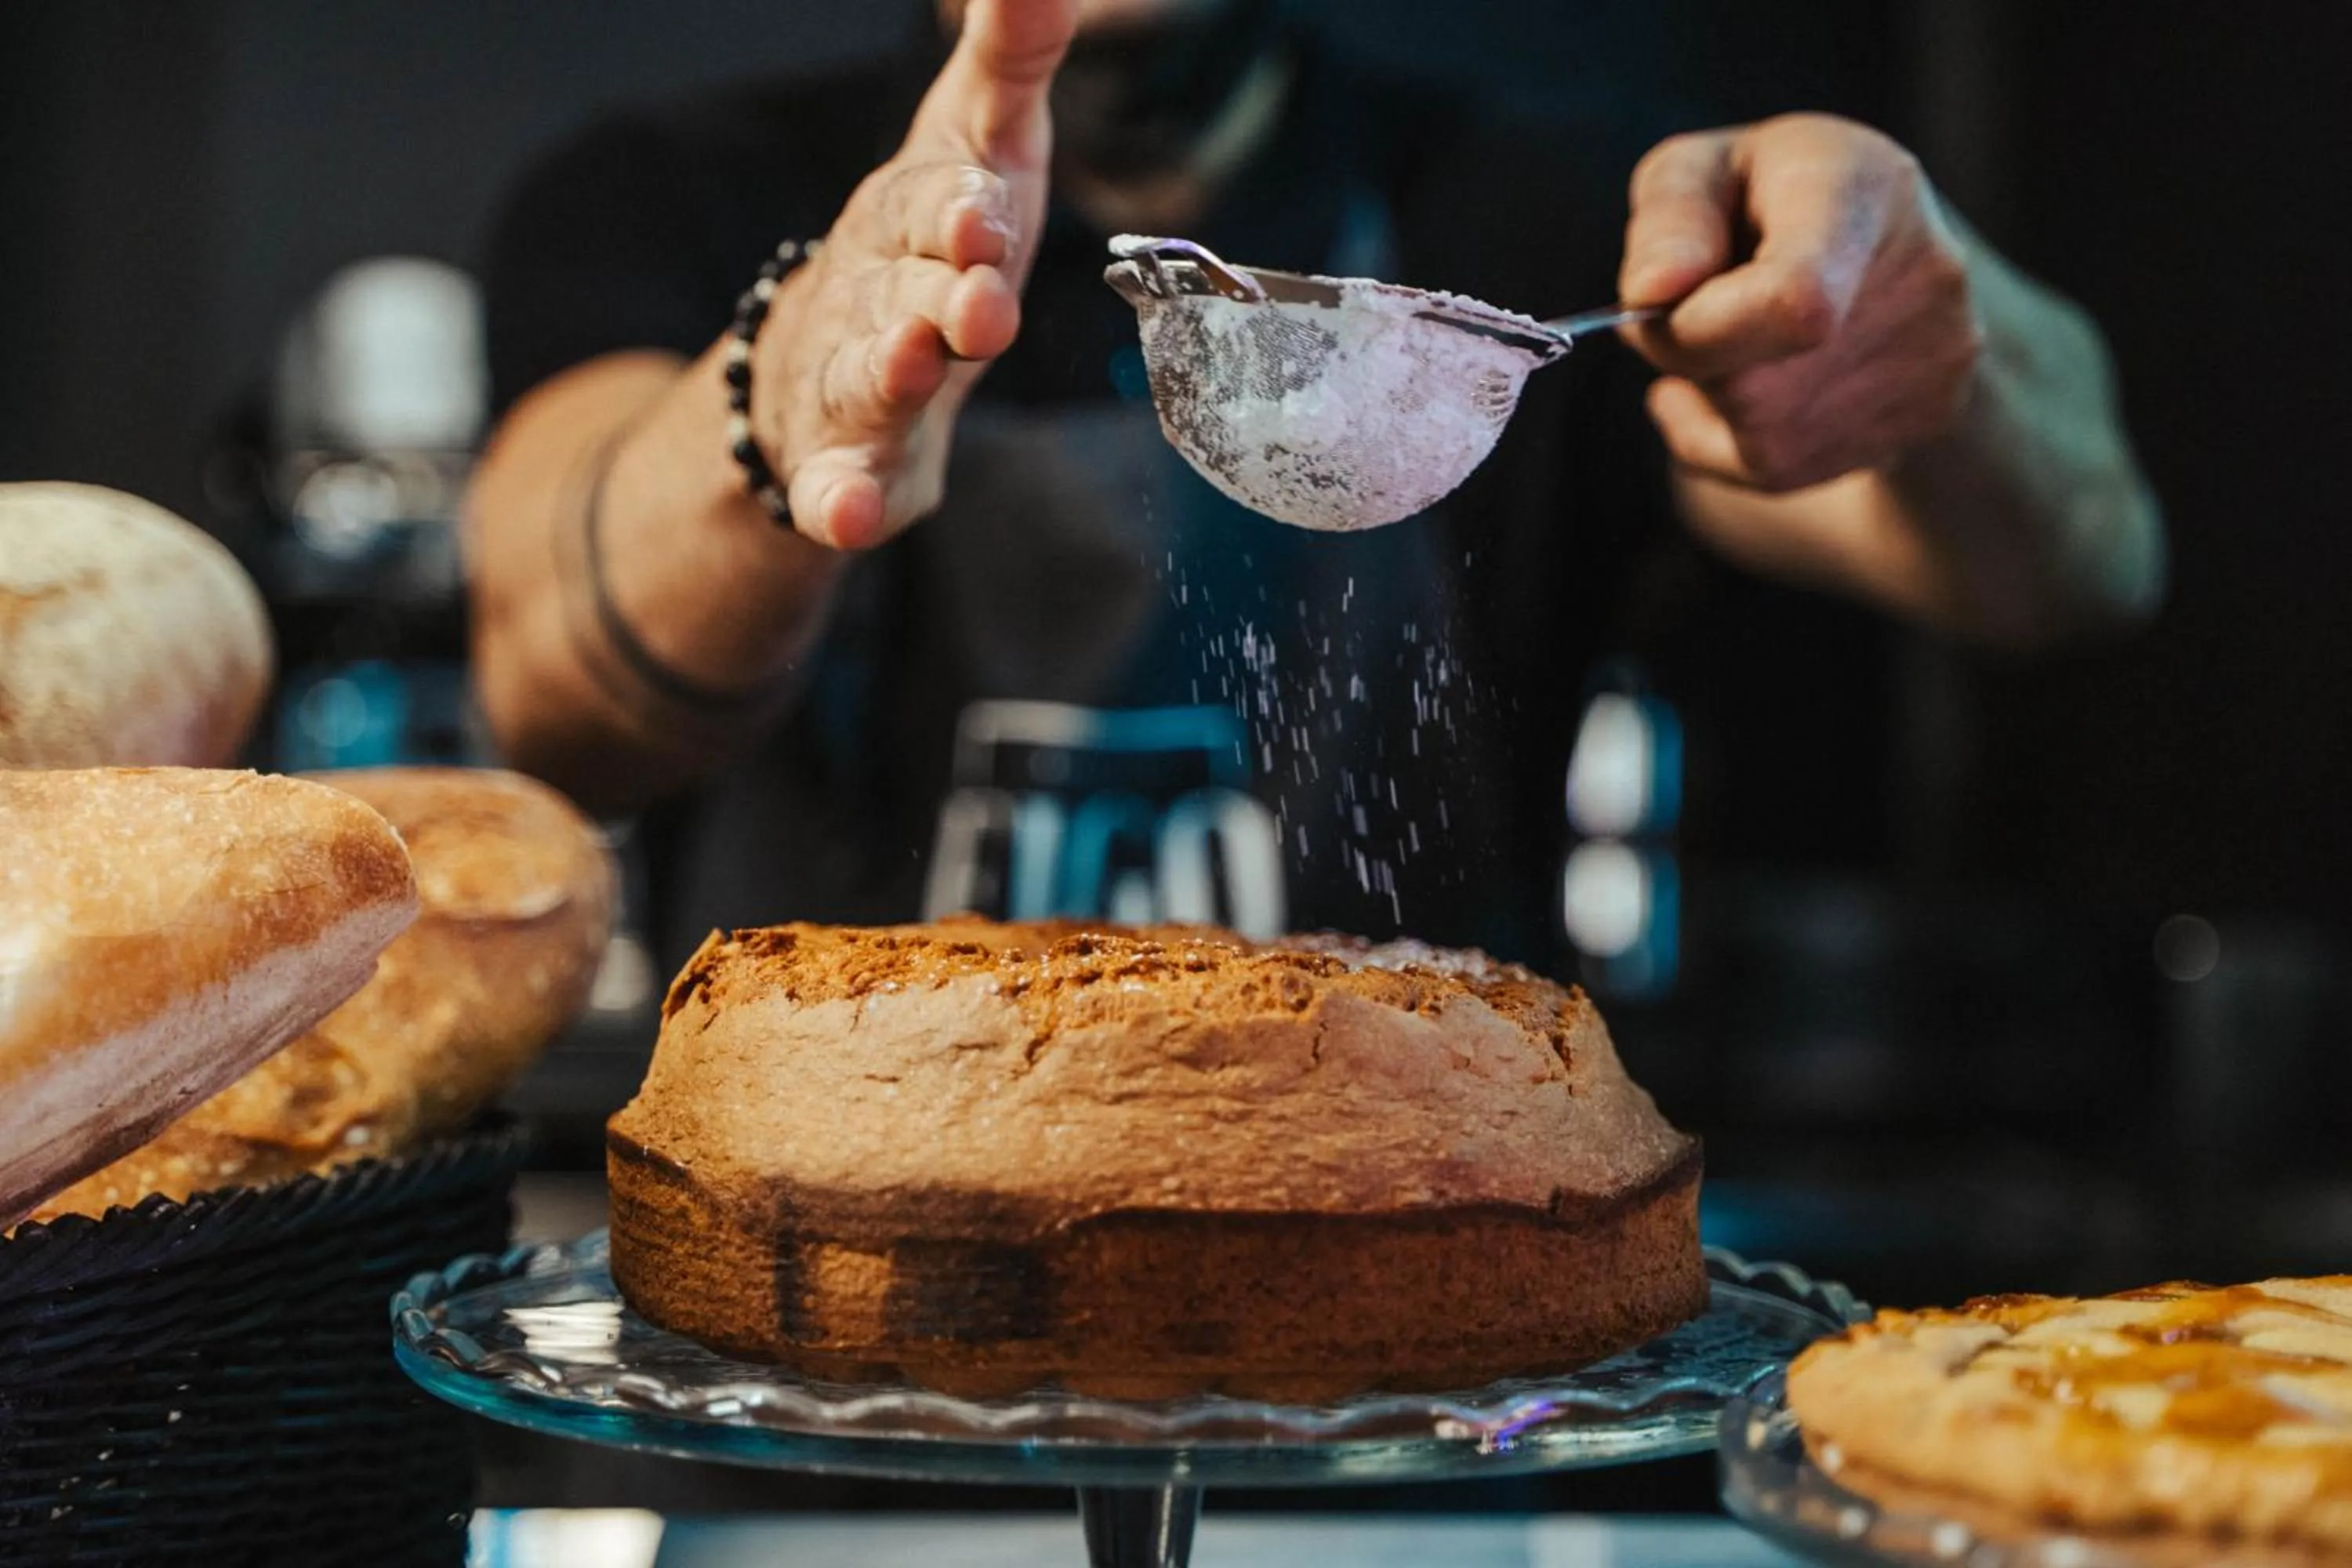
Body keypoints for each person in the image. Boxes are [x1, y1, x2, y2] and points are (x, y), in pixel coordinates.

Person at [466, 0, 2161, 975]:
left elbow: (2080, 558)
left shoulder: (1544, 214)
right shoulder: (670, 200)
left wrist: (1941, 341)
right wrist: (779, 399)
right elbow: (554, 690)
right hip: (818, 1364)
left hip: (1415, 1366)